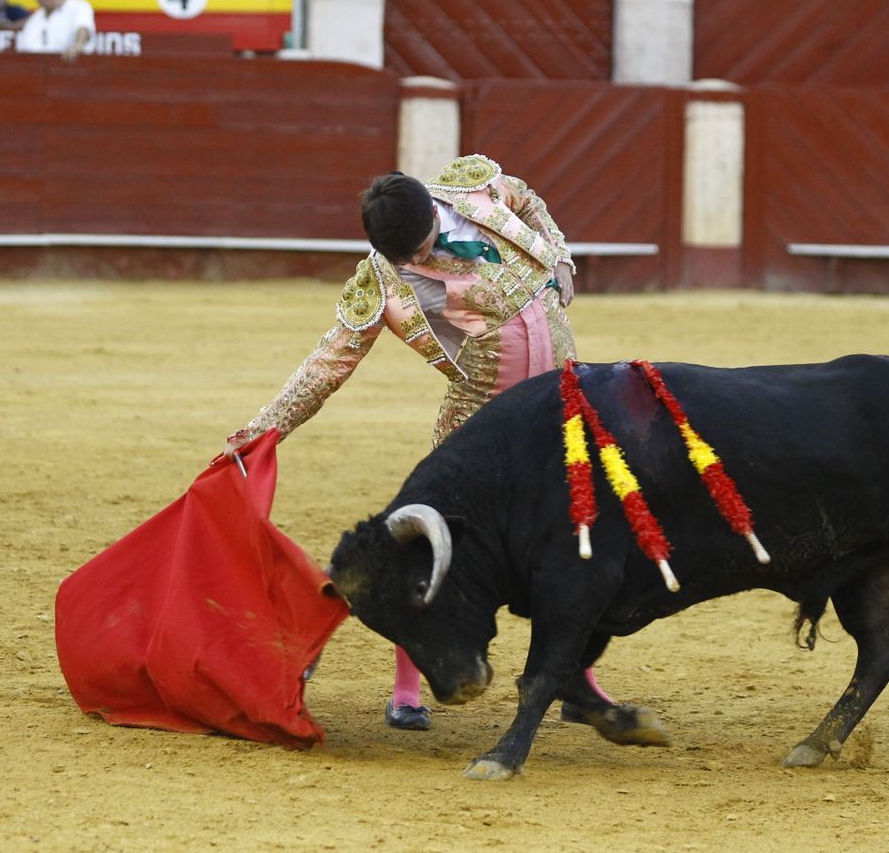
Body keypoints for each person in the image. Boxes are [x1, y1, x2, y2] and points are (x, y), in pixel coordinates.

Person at [222, 156, 604, 733]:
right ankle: (407, 688)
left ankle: (579, 679)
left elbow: (526, 198)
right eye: (408, 259)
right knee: (432, 544)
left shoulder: (471, 187)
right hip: (481, 418)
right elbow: (330, 362)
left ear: (434, 209)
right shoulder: (381, 278)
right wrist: (262, 430)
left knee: (582, 532)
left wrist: (561, 255)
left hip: (560, 400)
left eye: (424, 248)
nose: (420, 263)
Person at [16, 0, 94, 60]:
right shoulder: (36, 17)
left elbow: (83, 29)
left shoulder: (79, 7)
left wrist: (76, 46)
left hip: (72, 69)